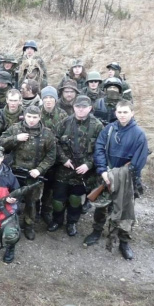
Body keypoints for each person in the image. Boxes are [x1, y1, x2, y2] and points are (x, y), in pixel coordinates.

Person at [86, 100, 148, 260]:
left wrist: (119, 175)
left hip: (127, 180)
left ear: (132, 113)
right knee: (101, 207)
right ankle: (96, 231)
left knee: (125, 211)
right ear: (115, 113)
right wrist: (103, 171)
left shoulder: (139, 134)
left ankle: (123, 242)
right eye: (119, 112)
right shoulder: (109, 129)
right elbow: (99, 148)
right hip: (106, 175)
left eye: (125, 112)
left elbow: (138, 162)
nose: (122, 115)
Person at [0, 105, 56, 240]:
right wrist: (15, 138)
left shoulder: (47, 133)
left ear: (40, 117)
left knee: (31, 202)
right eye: (29, 116)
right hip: (14, 172)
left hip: (33, 174)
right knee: (10, 198)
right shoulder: (15, 128)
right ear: (24, 116)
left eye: (35, 117)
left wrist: (40, 169)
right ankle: (7, 222)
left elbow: (51, 156)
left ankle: (29, 225)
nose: (31, 120)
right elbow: (1, 142)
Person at [49, 95, 104, 236]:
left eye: (84, 107)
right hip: (64, 169)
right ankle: (57, 220)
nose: (80, 110)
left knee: (75, 200)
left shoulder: (97, 126)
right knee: (57, 200)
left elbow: (101, 149)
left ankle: (72, 223)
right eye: (78, 107)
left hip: (83, 173)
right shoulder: (65, 123)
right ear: (73, 107)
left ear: (90, 108)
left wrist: (88, 164)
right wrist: (63, 159)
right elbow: (54, 142)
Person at [38, 86, 68, 225]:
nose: (48, 100)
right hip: (38, 157)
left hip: (56, 158)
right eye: (46, 98)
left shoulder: (63, 115)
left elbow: (66, 138)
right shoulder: (36, 113)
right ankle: (32, 211)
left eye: (51, 98)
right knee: (36, 186)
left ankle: (46, 211)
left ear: (56, 100)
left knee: (50, 188)